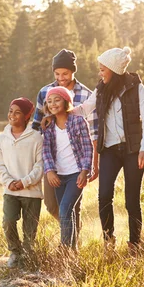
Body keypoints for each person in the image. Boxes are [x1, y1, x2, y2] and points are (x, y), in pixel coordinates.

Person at [71, 47, 144, 254]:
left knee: (132, 199)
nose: (100, 73)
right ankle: (109, 239)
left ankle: (134, 244)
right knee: (104, 195)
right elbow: (84, 109)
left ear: (115, 70)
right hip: (109, 150)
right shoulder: (101, 90)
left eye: (103, 69)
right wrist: (60, 112)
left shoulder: (137, 89)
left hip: (133, 150)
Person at [32, 49, 98, 231]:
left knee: (71, 207)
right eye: (57, 73)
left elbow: (94, 132)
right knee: (52, 205)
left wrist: (93, 165)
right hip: (53, 161)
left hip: (77, 162)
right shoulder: (45, 92)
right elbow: (37, 126)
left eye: (65, 73)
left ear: (73, 71)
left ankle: (69, 247)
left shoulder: (86, 94)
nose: (61, 77)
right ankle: (71, 232)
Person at [41, 86, 93, 251]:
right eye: (49, 101)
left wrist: (85, 171)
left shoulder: (78, 121)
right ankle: (72, 250)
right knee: (66, 211)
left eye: (57, 100)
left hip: (76, 174)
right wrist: (49, 171)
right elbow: (46, 151)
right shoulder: (48, 126)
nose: (53, 104)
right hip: (59, 176)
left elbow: (88, 148)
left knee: (65, 209)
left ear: (66, 101)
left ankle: (64, 250)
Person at [0, 97, 44, 268]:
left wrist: (24, 182)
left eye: (17, 113)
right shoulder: (2, 138)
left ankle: (29, 256)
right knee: (8, 221)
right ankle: (15, 252)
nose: (12, 115)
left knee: (30, 229)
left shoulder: (36, 138)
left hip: (31, 192)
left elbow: (40, 166)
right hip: (10, 191)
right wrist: (9, 182)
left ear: (26, 116)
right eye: (10, 111)